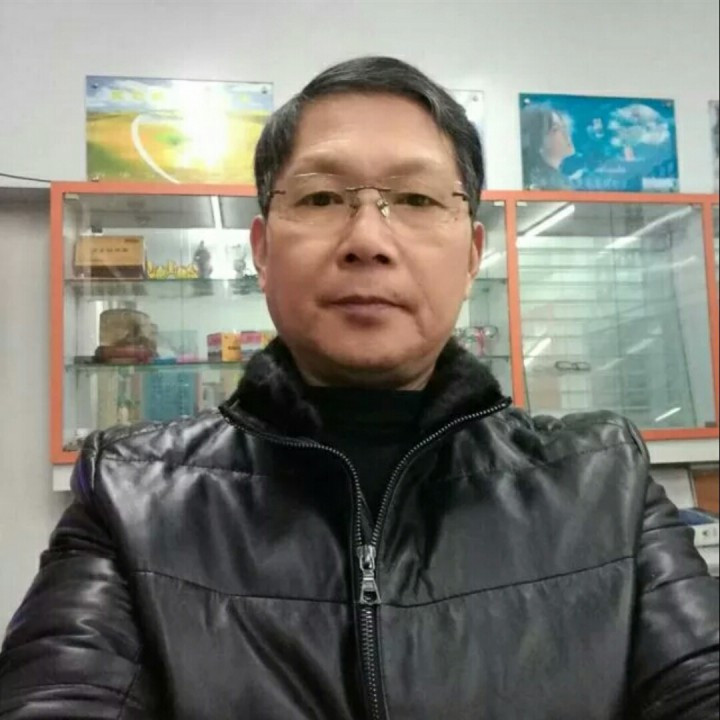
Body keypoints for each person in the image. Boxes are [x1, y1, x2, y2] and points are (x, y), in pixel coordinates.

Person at [0, 57, 718, 719]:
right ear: (262, 252)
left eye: (415, 197)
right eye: (320, 197)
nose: (367, 240)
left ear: (472, 253)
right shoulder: (131, 496)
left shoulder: (604, 481)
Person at [521, 102, 575, 190]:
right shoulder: (542, 187)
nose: (566, 133)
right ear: (538, 141)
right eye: (555, 129)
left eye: (564, 127)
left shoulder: (562, 181)